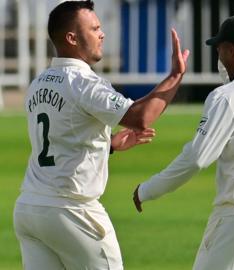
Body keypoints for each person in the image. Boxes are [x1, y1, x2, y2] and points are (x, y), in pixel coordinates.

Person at [13, 1, 189, 269]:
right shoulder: (84, 83)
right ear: (71, 38)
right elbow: (141, 117)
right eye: (94, 28)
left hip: (31, 208)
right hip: (73, 212)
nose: (102, 34)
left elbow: (61, 139)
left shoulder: (38, 83)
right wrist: (175, 76)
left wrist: (107, 146)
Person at [133, 14, 234, 270]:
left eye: (220, 49)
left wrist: (148, 190)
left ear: (232, 49)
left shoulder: (226, 97)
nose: (219, 57)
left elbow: (197, 158)